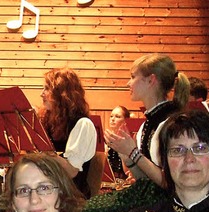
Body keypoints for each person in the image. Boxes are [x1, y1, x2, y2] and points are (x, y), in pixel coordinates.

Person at [105, 53, 190, 188]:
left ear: (151, 80)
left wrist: (133, 152)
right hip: (150, 200)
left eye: (133, 77)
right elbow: (145, 179)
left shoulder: (172, 123)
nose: (128, 83)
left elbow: (169, 183)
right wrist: (126, 155)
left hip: (167, 205)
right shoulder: (146, 124)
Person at [39, 68, 97, 198]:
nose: (41, 94)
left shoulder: (82, 124)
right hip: (47, 190)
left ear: (62, 94)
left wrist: (46, 152)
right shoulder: (49, 120)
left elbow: (71, 171)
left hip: (70, 196)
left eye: (47, 88)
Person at [105, 105, 132, 180]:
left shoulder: (129, 141)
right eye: (111, 116)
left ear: (125, 120)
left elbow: (127, 172)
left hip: (125, 181)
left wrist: (122, 151)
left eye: (117, 116)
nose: (112, 119)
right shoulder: (106, 140)